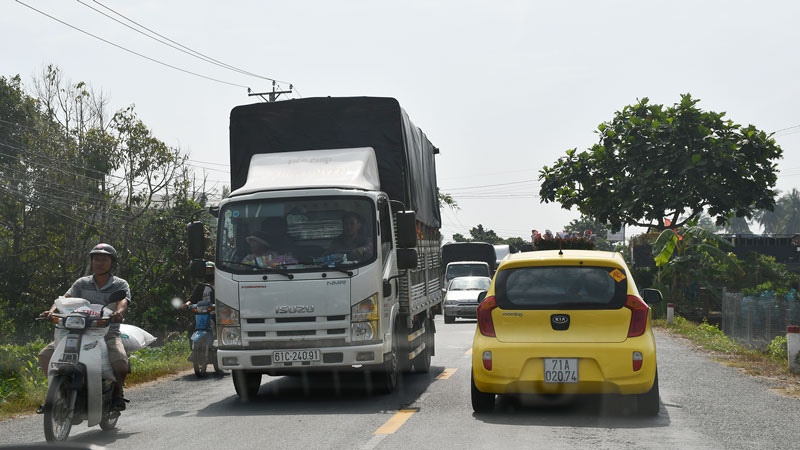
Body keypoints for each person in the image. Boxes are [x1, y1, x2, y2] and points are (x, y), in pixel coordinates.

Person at [38, 243, 131, 411]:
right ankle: (56, 393)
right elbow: (63, 300)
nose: (99, 263)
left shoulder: (120, 284)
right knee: (45, 356)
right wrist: (51, 311)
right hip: (76, 331)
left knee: (120, 365)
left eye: (104, 259)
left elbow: (122, 302)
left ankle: (117, 393)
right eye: (96, 259)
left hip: (106, 332)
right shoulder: (82, 283)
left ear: (112, 263)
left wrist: (118, 312)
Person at [184, 261, 215, 347]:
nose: (209, 273)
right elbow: (192, 299)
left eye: (211, 271)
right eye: (206, 271)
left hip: (216, 315)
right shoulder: (200, 286)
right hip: (202, 315)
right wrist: (187, 304)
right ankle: (192, 350)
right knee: (191, 328)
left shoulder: (221, 285)